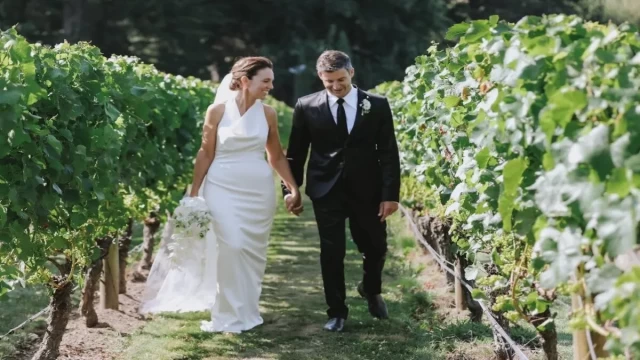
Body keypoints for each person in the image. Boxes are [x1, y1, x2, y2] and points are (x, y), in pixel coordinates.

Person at [139, 56, 301, 334]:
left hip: (258, 191)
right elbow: (205, 153)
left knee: (252, 254)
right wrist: (193, 193)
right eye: (266, 81)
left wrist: (293, 187)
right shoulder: (216, 111)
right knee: (232, 247)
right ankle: (226, 314)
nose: (270, 86)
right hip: (221, 186)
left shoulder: (268, 114)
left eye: (271, 81)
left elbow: (275, 155)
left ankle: (247, 311)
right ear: (245, 81)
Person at [282, 50, 401, 332]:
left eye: (340, 80)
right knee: (331, 251)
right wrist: (291, 190)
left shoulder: (378, 105)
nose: (336, 87)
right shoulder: (306, 106)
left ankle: (371, 289)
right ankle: (337, 312)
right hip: (326, 189)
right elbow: (296, 154)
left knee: (376, 247)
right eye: (328, 82)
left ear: (352, 73)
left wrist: (390, 195)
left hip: (368, 190)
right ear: (320, 78)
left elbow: (388, 153)